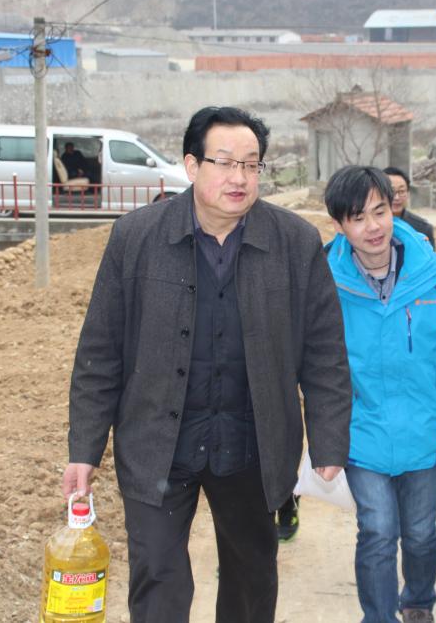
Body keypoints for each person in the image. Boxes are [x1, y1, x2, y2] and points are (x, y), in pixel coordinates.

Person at [63, 106, 353, 623]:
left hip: (251, 442)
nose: (239, 178)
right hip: (157, 442)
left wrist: (328, 440)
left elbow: (324, 350)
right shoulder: (136, 237)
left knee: (251, 578)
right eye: (225, 162)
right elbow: (100, 352)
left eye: (251, 164)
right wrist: (84, 450)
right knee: (158, 577)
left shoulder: (294, 243)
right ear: (192, 166)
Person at [324, 165, 436, 623]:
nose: (373, 226)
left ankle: (418, 602)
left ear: (393, 208)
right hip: (361, 432)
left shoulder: (431, 273)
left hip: (423, 431)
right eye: (358, 217)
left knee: (419, 533)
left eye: (379, 211)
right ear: (339, 225)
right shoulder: (325, 280)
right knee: (378, 531)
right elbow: (314, 362)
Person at [384, 166, 436, 250]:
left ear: (408, 193)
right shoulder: (372, 227)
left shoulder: (422, 228)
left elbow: (429, 257)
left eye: (401, 191)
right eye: (391, 191)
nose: (397, 197)